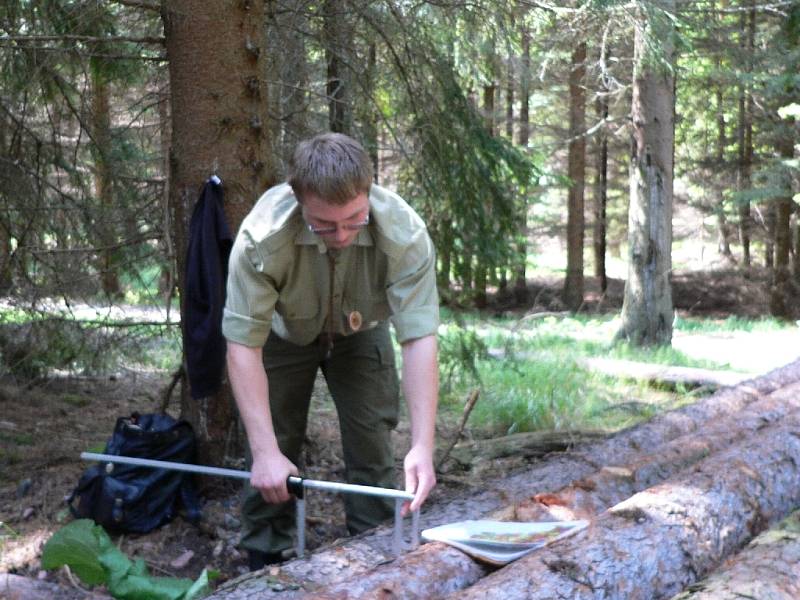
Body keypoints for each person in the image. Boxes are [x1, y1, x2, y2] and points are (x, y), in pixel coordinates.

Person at [222, 132, 440, 570]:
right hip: (283, 334)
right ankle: (264, 559)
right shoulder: (262, 239)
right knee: (272, 444)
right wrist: (265, 452)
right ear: (299, 199)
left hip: (362, 331)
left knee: (372, 442)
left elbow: (419, 338)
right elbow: (243, 345)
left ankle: (377, 555)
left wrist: (422, 445)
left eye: (354, 219)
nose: (341, 235)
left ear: (369, 190)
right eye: (324, 224)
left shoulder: (404, 232)